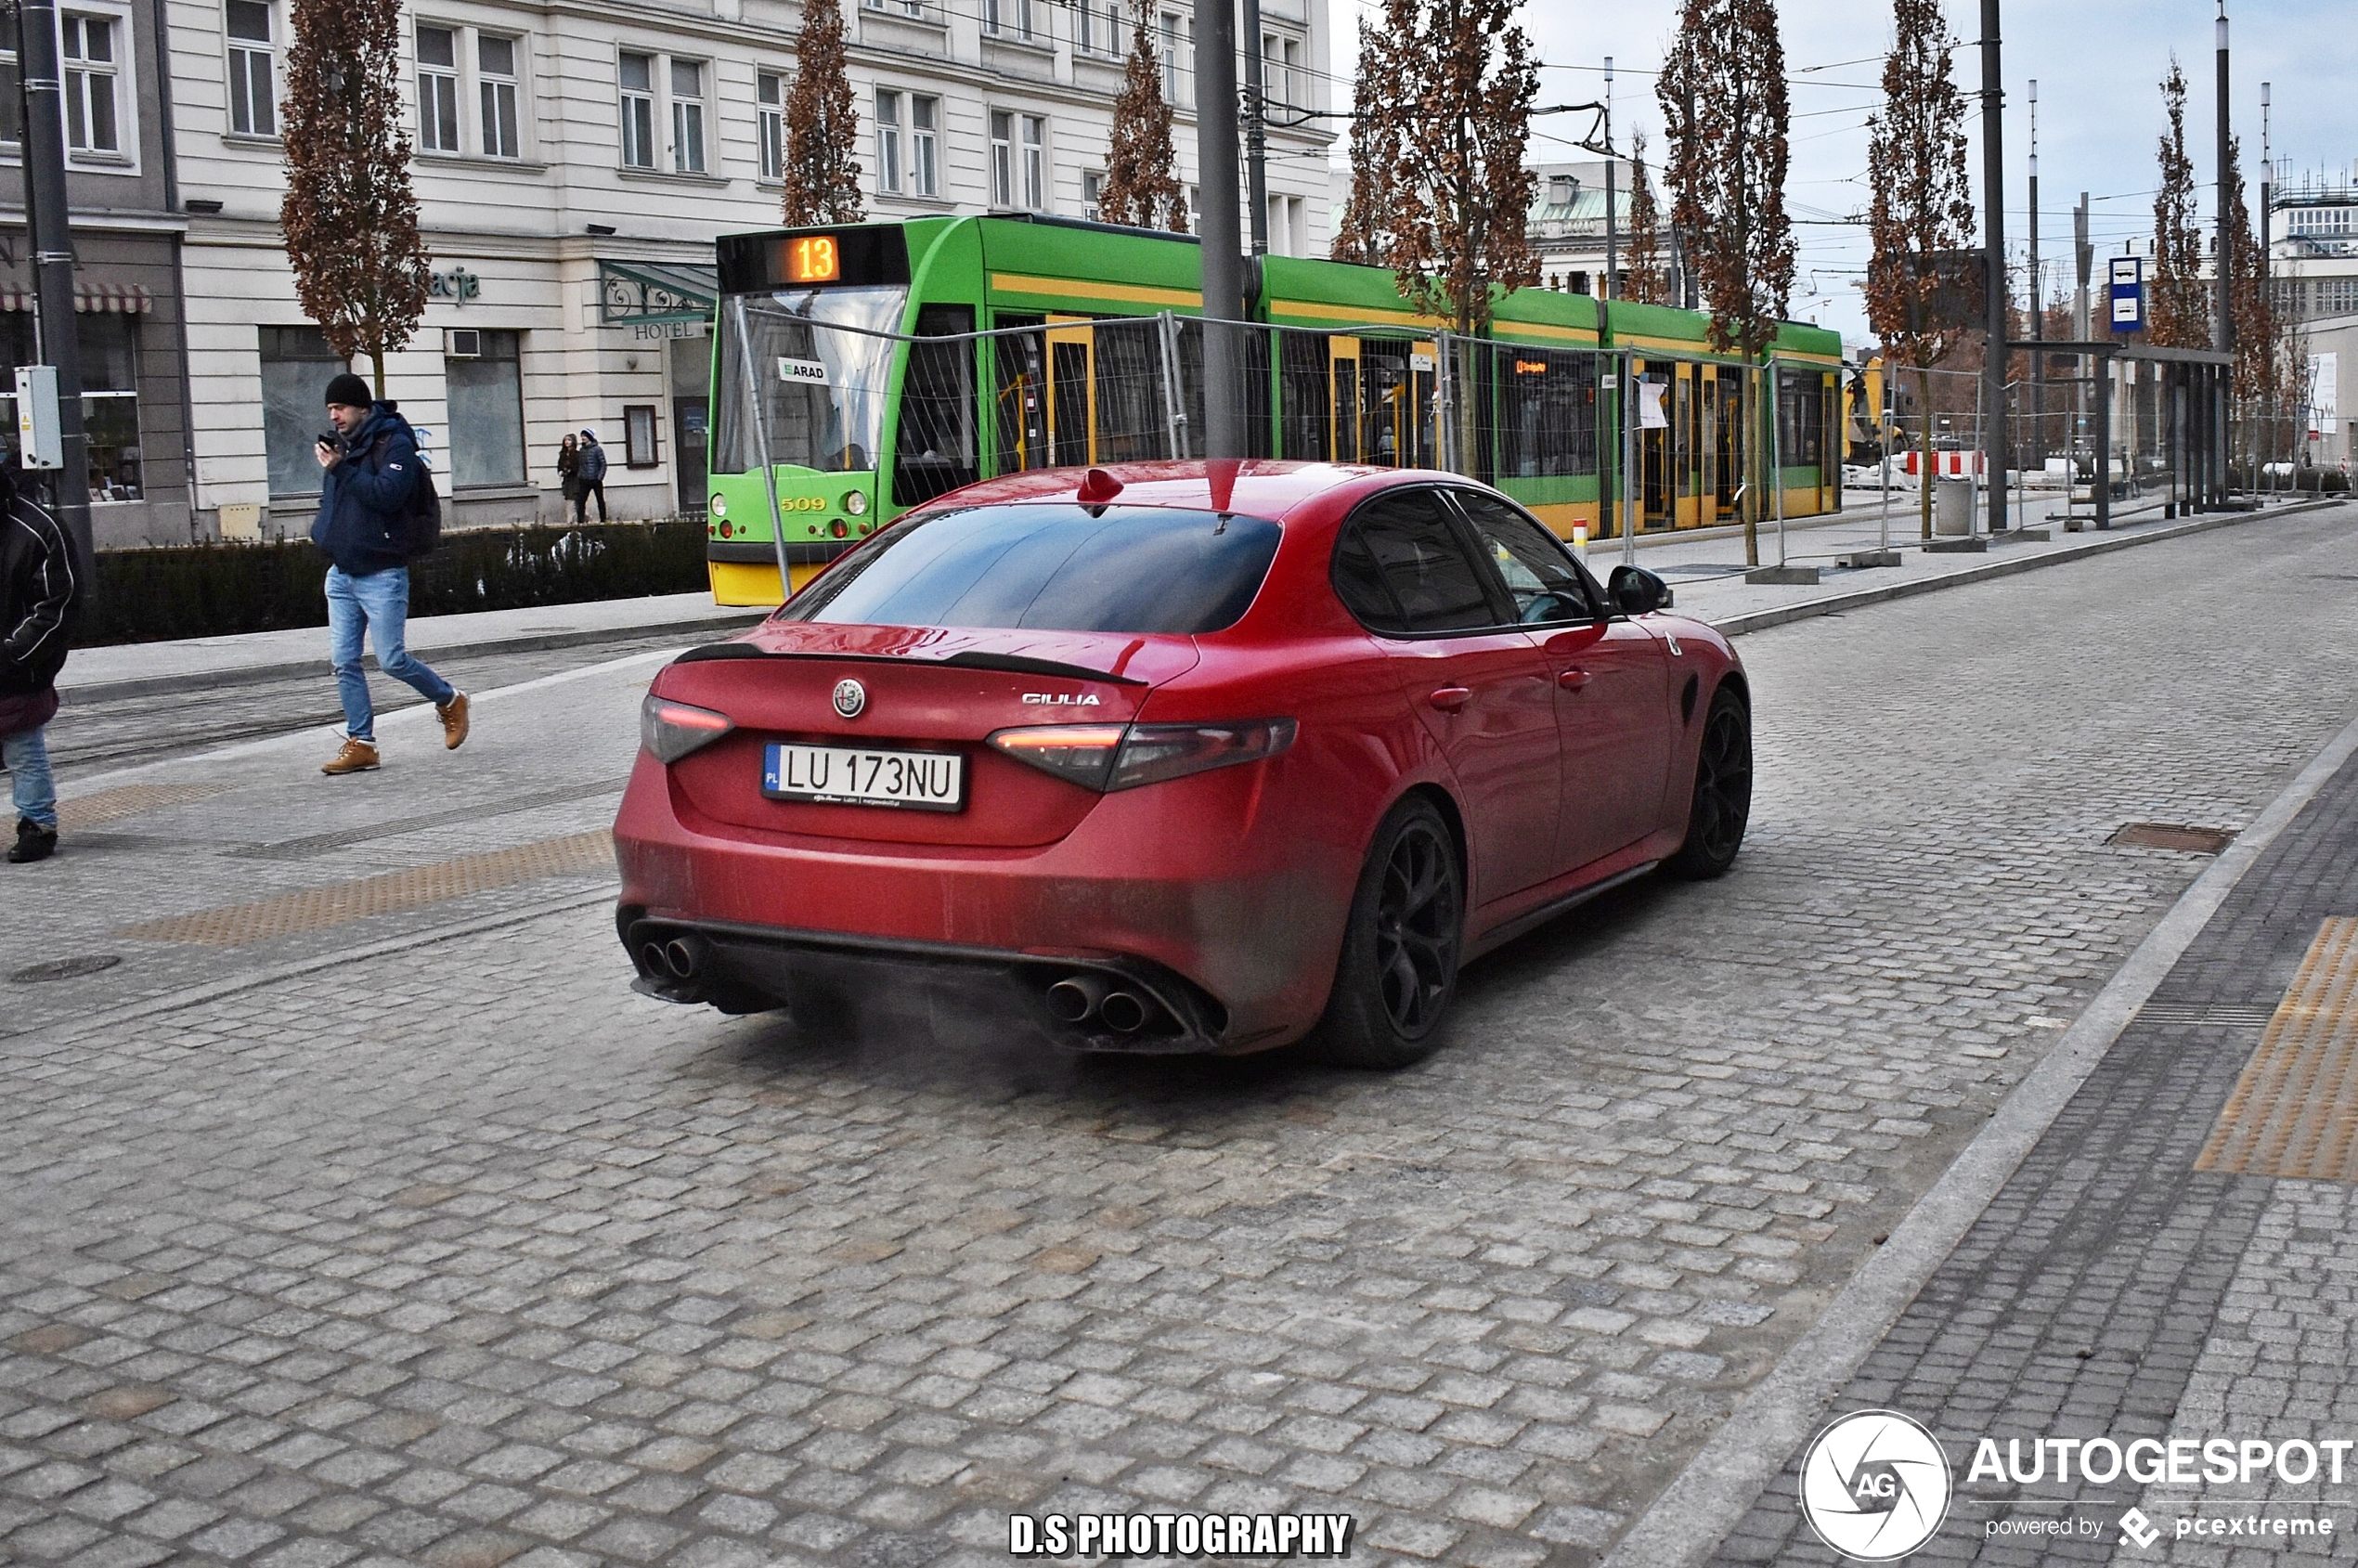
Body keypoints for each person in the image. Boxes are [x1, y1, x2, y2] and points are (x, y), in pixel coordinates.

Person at [310, 371, 470, 775]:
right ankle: (362, 742)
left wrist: (341, 469)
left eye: (341, 407)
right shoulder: (342, 448)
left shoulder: (394, 443)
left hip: (382, 573)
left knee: (392, 659)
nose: (335, 416)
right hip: (343, 572)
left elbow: (387, 496)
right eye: (330, 409)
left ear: (362, 407)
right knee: (344, 660)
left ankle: (449, 699)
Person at [0, 462, 75, 863]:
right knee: (22, 749)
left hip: (17, 671)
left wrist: (13, 653)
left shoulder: (38, 529)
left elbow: (56, 606)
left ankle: (37, 824)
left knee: (23, 749)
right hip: (17, 662)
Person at [576, 428, 609, 522]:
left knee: (600, 501)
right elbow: (580, 465)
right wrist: (580, 476)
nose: (583, 438)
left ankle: (603, 520)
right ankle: (580, 521)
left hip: (595, 479)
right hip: (584, 479)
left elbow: (603, 464)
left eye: (585, 436)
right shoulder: (582, 450)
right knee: (581, 501)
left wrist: (599, 478)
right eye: (582, 436)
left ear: (589, 437)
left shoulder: (597, 449)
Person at [557, 433, 583, 523]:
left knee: (574, 499)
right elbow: (559, 466)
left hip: (575, 480)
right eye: (565, 440)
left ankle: (575, 519)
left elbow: (577, 467)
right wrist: (561, 472)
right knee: (569, 499)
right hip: (567, 480)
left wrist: (570, 469)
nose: (567, 442)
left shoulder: (577, 454)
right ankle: (571, 520)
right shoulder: (563, 454)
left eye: (569, 440)